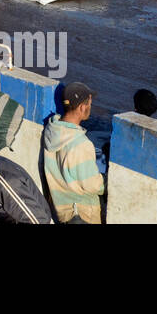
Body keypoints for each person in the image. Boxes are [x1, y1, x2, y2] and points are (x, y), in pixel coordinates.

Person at [42, 82, 105, 224]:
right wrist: (106, 182)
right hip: (82, 214)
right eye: (89, 103)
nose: (90, 107)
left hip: (62, 211)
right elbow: (92, 185)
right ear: (82, 107)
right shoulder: (81, 144)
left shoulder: (51, 131)